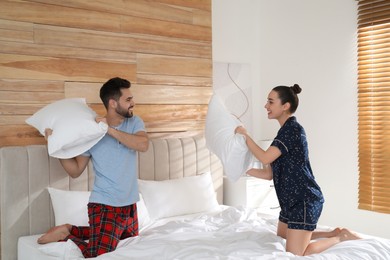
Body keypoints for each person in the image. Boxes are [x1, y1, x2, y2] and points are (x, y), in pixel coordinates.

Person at [235, 84, 360, 256]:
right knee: (283, 235)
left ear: (285, 106)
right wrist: (241, 169)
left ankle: (340, 238)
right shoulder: (283, 132)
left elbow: (264, 157)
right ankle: (332, 233)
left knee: (296, 252)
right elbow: (268, 174)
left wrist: (245, 135)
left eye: (270, 102)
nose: (266, 106)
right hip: (290, 202)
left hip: (304, 200)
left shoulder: (292, 130)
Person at [37, 77, 149, 258]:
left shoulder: (134, 123)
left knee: (127, 238)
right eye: (128, 100)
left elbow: (143, 145)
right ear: (113, 103)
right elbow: (75, 171)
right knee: (97, 254)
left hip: (129, 205)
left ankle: (70, 228)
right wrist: (54, 146)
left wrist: (109, 130)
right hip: (105, 205)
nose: (132, 103)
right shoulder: (92, 133)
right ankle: (66, 236)